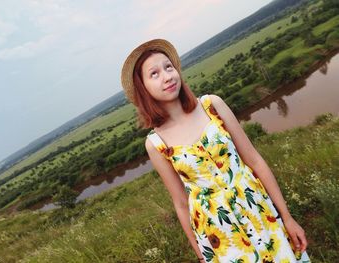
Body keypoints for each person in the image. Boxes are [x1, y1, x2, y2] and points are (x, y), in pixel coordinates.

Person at [121, 38, 311, 262]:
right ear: (144, 88)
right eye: (154, 74)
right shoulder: (155, 143)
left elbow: (255, 161)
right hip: (218, 233)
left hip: (257, 208)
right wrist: (201, 254)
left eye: (168, 67)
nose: (167, 76)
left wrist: (287, 217)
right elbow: (181, 203)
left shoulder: (212, 105)